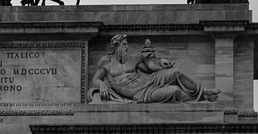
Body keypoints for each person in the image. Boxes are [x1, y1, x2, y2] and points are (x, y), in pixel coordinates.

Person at [88, 34, 219, 103]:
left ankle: (203, 91)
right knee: (174, 91)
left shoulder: (132, 58)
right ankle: (203, 98)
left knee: (176, 72)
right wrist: (101, 85)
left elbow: (149, 69)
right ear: (115, 46)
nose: (126, 47)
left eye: (127, 44)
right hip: (140, 95)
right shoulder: (106, 61)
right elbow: (95, 78)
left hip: (150, 81)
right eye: (124, 45)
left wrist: (161, 62)